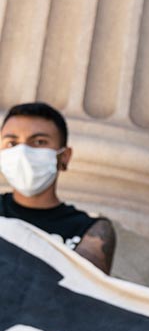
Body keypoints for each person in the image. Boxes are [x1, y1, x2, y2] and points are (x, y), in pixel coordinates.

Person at [1, 102, 115, 274]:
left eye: (39, 142)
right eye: (12, 143)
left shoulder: (90, 230)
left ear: (64, 156)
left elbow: (79, 293)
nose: (22, 152)